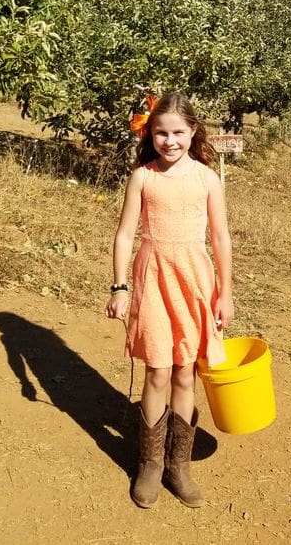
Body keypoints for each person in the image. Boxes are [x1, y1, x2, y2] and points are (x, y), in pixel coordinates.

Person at [106, 92, 234, 509]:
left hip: (195, 280)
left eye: (178, 132)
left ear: (193, 131)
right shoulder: (143, 177)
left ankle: (178, 465)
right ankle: (149, 463)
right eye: (161, 133)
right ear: (150, 134)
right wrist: (119, 287)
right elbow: (126, 234)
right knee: (158, 371)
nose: (170, 140)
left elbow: (220, 238)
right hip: (154, 278)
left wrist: (225, 294)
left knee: (184, 372)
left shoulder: (207, 179)